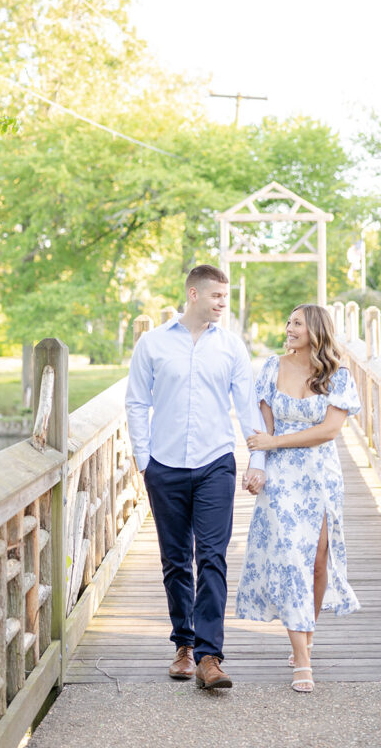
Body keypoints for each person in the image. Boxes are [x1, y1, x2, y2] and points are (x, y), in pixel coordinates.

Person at [125, 265, 266, 690]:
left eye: (226, 297)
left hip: (215, 463)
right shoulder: (152, 344)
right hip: (164, 465)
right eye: (217, 297)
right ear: (193, 294)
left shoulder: (231, 347)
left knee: (212, 557)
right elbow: (135, 402)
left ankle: (209, 656)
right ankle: (183, 646)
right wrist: (143, 460)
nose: (223, 304)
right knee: (174, 561)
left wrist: (257, 458)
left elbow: (246, 407)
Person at [236, 303, 361, 693]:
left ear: (316, 331)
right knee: (291, 558)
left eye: (296, 323)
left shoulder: (339, 376)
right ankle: (302, 660)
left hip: (321, 475)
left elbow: (328, 430)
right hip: (281, 477)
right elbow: (262, 426)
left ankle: (307, 629)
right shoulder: (272, 367)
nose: (288, 328)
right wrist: (258, 464)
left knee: (318, 562)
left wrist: (275, 441)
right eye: (287, 321)